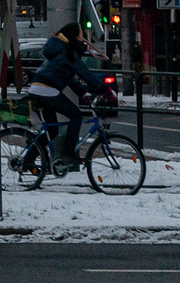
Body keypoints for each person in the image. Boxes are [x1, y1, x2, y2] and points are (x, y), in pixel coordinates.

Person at [28, 22, 115, 174]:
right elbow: (85, 74)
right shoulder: (68, 53)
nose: (84, 38)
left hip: (38, 88)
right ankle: (68, 153)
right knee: (76, 115)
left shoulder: (60, 51)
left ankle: (27, 161)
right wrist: (106, 91)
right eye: (81, 35)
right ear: (75, 36)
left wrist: (83, 93)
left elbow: (69, 78)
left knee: (52, 131)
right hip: (47, 89)